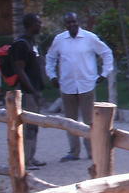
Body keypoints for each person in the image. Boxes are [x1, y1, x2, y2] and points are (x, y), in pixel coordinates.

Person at [45, 12, 114, 162]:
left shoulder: (89, 38)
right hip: (67, 86)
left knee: (90, 120)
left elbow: (106, 53)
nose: (71, 25)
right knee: (71, 121)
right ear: (65, 25)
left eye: (74, 22)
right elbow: (50, 58)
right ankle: (74, 152)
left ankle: (92, 151)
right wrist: (52, 76)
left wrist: (104, 73)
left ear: (78, 22)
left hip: (86, 85)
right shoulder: (60, 39)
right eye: (68, 23)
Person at [10, 13, 46, 168]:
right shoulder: (21, 44)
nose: (40, 25)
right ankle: (25, 159)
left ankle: (31, 156)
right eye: (38, 22)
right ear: (31, 24)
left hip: (36, 89)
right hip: (27, 92)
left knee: (34, 125)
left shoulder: (32, 42)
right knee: (27, 125)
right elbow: (20, 69)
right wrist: (32, 90)